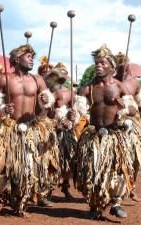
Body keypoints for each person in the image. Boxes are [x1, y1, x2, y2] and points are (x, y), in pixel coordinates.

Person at [0, 44, 60, 217]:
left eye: (33, 56)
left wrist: (46, 100)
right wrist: (3, 107)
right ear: (16, 58)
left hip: (31, 128)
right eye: (28, 55)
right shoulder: (4, 79)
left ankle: (20, 202)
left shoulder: (38, 79)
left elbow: (49, 104)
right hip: (8, 127)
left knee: (28, 167)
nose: (32, 59)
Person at [76, 44, 136, 219]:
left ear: (112, 66)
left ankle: (116, 203)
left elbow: (133, 110)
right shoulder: (87, 88)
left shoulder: (119, 86)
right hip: (94, 135)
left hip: (114, 135)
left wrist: (123, 107)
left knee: (117, 170)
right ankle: (95, 205)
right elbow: (78, 111)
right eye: (96, 63)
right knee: (92, 171)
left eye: (102, 63)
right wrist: (71, 116)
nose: (98, 66)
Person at [45, 63, 88, 200]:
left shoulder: (70, 94)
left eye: (64, 74)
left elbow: (78, 112)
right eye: (59, 74)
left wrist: (71, 120)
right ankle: (48, 189)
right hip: (49, 130)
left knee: (68, 161)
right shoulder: (46, 92)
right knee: (50, 161)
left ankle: (65, 187)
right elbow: (42, 112)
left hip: (66, 132)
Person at [115, 52, 141, 201]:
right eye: (122, 66)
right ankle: (117, 190)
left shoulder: (134, 83)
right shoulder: (111, 82)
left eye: (127, 65)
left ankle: (131, 186)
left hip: (133, 123)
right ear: (116, 67)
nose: (126, 69)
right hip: (115, 124)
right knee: (118, 159)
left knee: (136, 158)